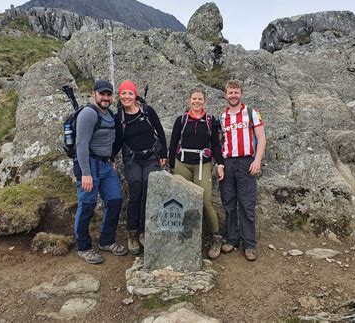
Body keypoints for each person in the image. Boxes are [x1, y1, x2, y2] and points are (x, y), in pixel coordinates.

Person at [73, 80, 127, 265]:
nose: (105, 98)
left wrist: (111, 159)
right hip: (89, 166)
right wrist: (86, 173)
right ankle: (84, 247)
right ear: (94, 94)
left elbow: (108, 140)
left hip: (105, 165)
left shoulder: (109, 114)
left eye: (108, 94)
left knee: (115, 200)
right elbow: (81, 144)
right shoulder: (88, 113)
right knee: (87, 205)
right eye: (102, 94)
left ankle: (106, 241)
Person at [168, 87, 225, 259]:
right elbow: (173, 143)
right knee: (179, 201)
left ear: (205, 101)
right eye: (194, 98)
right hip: (182, 163)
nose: (197, 101)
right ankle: (182, 238)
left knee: (205, 202)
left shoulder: (210, 120)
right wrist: (171, 166)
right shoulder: (182, 120)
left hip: (202, 165)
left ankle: (216, 237)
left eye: (200, 99)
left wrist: (220, 164)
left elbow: (215, 144)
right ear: (189, 100)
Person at [114, 80, 167, 255]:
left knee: (149, 192)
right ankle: (132, 233)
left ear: (135, 95)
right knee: (135, 193)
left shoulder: (147, 111)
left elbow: (159, 131)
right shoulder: (119, 117)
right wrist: (110, 157)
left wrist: (163, 154)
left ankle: (145, 231)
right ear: (119, 96)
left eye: (130, 93)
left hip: (151, 157)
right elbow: (119, 141)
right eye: (124, 93)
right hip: (133, 159)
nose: (127, 97)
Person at [218, 80, 266, 261]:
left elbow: (261, 138)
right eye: (230, 92)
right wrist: (220, 164)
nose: (233, 95)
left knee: (247, 204)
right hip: (228, 163)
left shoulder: (251, 113)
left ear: (241, 94)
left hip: (247, 162)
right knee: (228, 203)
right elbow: (219, 142)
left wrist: (257, 160)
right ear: (225, 95)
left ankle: (249, 244)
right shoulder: (222, 117)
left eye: (236, 92)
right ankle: (231, 239)